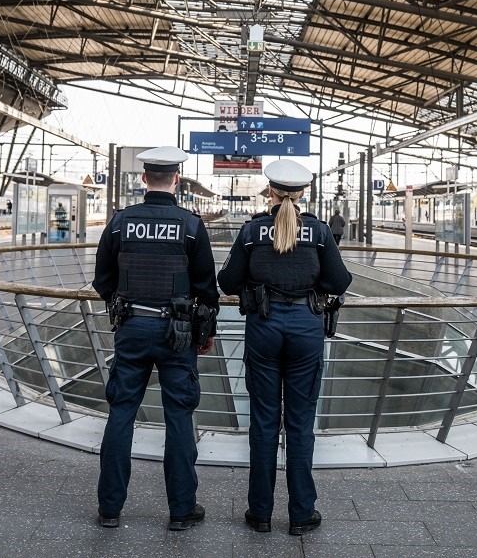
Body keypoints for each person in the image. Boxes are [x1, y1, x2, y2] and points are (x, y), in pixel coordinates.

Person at [218, 159, 353, 537]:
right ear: (304, 192)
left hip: (263, 326)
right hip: (306, 330)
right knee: (299, 423)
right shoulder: (320, 232)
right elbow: (339, 280)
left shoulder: (251, 231)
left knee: (263, 422)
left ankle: (259, 513)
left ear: (271, 192)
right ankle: (301, 514)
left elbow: (227, 282)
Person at [92, 146, 219, 531]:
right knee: (179, 417)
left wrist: (122, 302)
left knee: (121, 413)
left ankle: (110, 509)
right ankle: (181, 511)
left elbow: (102, 279)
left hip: (131, 328)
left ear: (144, 179)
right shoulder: (191, 226)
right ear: (176, 180)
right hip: (177, 334)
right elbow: (207, 289)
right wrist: (204, 332)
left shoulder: (120, 223)